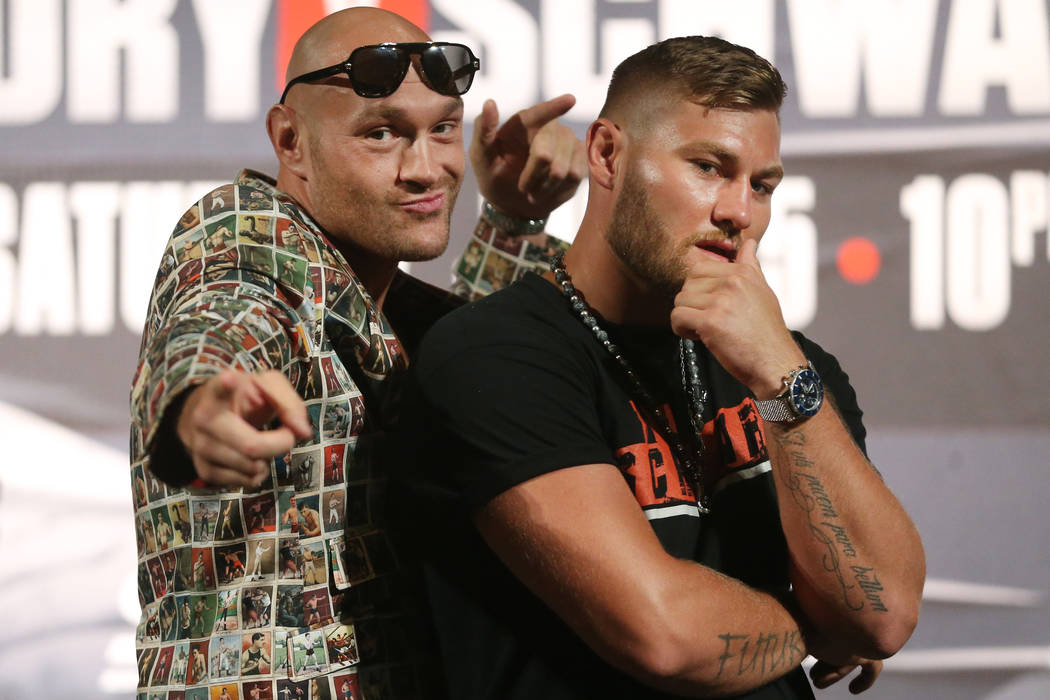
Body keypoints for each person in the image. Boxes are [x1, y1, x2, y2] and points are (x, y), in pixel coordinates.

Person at [402, 36, 925, 699]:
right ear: (607, 154)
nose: (739, 211)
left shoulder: (791, 369)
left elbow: (883, 616)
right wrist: (817, 627)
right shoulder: (494, 355)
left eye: (761, 184)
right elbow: (666, 636)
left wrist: (779, 375)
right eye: (709, 167)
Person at [129, 5, 584, 698]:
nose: (426, 169)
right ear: (291, 142)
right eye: (381, 134)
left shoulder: (360, 299)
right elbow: (219, 321)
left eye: (442, 130)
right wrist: (199, 406)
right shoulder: (243, 249)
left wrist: (513, 221)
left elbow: (457, 378)